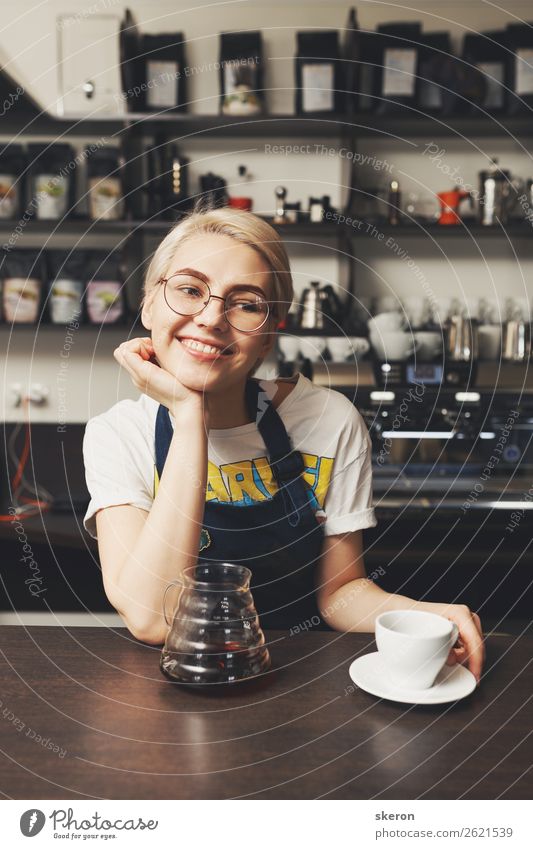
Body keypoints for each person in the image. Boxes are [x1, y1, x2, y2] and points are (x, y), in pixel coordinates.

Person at [83, 206, 484, 683]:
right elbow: (153, 618)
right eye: (189, 289)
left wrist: (423, 616)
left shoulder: (329, 422)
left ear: (270, 333)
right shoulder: (118, 435)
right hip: (170, 695)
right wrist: (190, 417)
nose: (212, 318)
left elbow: (340, 593)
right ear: (149, 304)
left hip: (302, 684)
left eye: (246, 303)